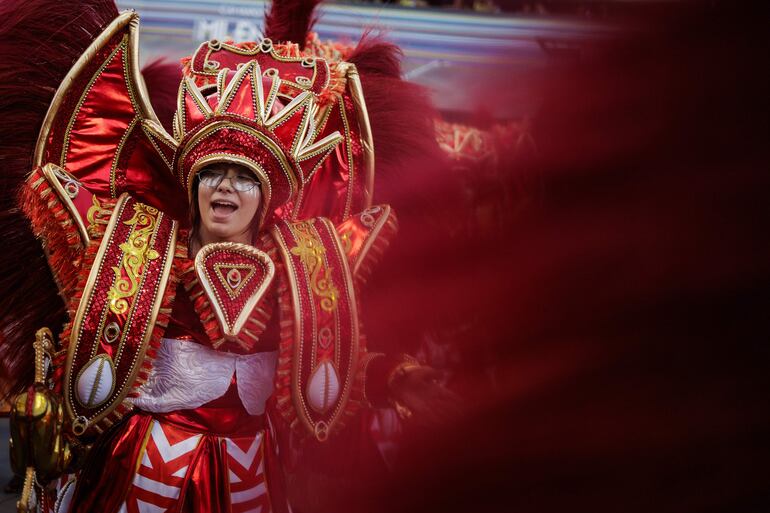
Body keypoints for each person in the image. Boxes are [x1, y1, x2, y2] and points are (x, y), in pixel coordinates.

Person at [0, 1, 457, 512]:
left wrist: (397, 378)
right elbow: (72, 340)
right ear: (192, 186)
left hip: (253, 475)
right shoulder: (136, 246)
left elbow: (333, 363)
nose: (225, 187)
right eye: (213, 173)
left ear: (267, 198)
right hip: (144, 468)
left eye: (244, 178)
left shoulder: (301, 265)